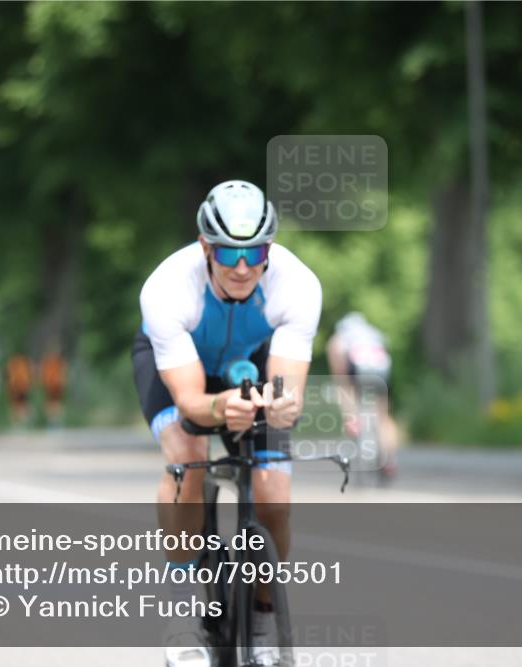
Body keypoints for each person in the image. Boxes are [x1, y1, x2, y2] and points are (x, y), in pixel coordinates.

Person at [132, 180, 322, 667]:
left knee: (274, 495)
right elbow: (192, 399)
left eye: (254, 252)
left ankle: (261, 624)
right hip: (182, 366)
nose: (241, 267)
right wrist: (220, 411)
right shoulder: (168, 288)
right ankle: (181, 618)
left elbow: (287, 389)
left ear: (269, 249)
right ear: (205, 247)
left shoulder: (298, 286)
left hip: (255, 364)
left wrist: (282, 408)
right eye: (227, 253)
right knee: (186, 457)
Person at [326, 312, 400, 480]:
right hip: (382, 369)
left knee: (345, 391)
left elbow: (340, 374)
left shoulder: (340, 338)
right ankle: (390, 459)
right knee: (383, 415)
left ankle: (354, 423)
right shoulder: (373, 333)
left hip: (357, 368)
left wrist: (347, 409)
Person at [39, 342, 67, 427]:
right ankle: (51, 422)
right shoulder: (47, 360)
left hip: (57, 384)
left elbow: (63, 371)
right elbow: (43, 372)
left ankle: (57, 422)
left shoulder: (59, 360)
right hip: (50, 385)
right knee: (50, 404)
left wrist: (63, 381)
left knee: (57, 403)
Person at [5, 354, 34, 425]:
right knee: (18, 405)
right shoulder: (15, 363)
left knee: (21, 404)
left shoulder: (15, 363)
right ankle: (19, 422)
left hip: (20, 386)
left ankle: (22, 421)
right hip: (18, 386)